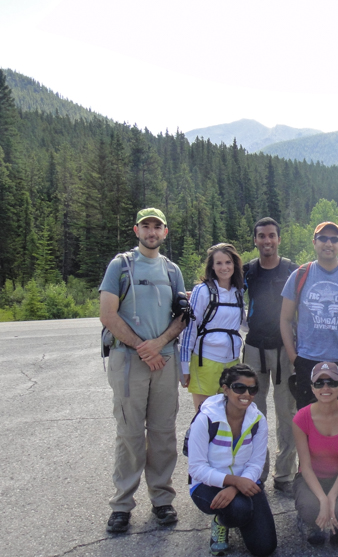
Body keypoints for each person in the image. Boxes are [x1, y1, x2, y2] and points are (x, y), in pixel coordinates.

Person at [99, 207, 187, 534]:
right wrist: (141, 346)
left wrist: (158, 343)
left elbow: (181, 316)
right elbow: (107, 314)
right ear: (137, 230)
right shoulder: (120, 266)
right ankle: (122, 505)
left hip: (164, 360)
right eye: (146, 226)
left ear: (165, 232)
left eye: (157, 226)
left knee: (163, 434)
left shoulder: (172, 270)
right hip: (128, 360)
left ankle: (162, 500)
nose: (152, 232)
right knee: (130, 434)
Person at [187, 364, 277, 557]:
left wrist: (236, 486)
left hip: (244, 481)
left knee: (265, 549)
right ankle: (222, 522)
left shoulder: (258, 420)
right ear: (225, 389)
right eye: (239, 388)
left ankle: (236, 516)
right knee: (240, 509)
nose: (246, 394)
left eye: (252, 389)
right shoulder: (206, 419)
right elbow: (196, 468)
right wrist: (233, 481)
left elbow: (256, 463)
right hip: (207, 484)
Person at [280, 221, 338, 409]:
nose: (328, 243)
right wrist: (294, 358)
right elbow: (285, 319)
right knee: (310, 423)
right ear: (314, 242)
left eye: (334, 239)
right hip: (308, 360)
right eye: (323, 238)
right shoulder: (299, 275)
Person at [242, 218, 299, 494]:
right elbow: (221, 288)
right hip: (254, 348)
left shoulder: (292, 270)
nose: (267, 241)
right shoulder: (248, 271)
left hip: (285, 349)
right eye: (262, 236)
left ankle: (285, 474)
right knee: (254, 413)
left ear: (279, 238)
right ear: (255, 240)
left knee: (287, 413)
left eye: (272, 236)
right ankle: (257, 472)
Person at [292, 362, 338, 545]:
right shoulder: (301, 417)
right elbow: (304, 466)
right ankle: (313, 523)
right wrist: (322, 499)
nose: (326, 388)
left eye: (332, 382)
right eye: (319, 384)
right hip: (312, 478)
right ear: (312, 388)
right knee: (311, 509)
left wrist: (332, 496)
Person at [180, 243, 245, 413]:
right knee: (205, 418)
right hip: (205, 360)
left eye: (228, 262)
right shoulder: (202, 291)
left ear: (235, 264)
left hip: (231, 361)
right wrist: (184, 366)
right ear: (212, 266)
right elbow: (189, 328)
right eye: (219, 263)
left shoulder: (238, 292)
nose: (224, 267)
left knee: (229, 417)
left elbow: (244, 324)